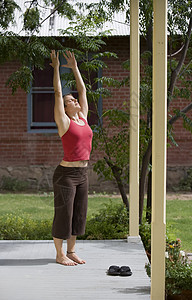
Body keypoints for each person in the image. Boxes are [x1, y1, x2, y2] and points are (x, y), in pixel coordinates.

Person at [50, 50, 93, 266]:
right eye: (70, 100)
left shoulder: (83, 118)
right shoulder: (64, 123)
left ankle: (72, 250)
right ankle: (59, 254)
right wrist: (57, 68)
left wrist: (75, 68)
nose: (74, 100)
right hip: (66, 174)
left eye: (74, 98)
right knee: (64, 214)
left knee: (78, 213)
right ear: (65, 108)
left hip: (82, 173)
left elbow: (83, 90)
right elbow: (58, 93)